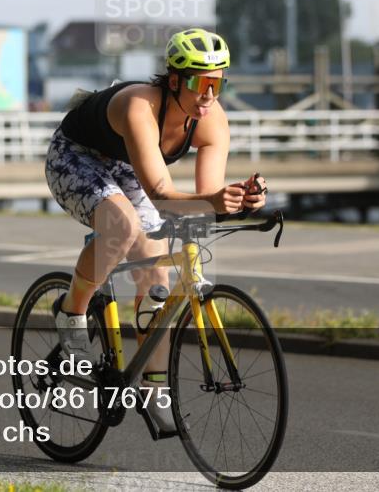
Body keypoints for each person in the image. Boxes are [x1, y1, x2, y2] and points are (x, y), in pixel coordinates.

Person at [43, 28, 267, 434]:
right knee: (122, 225)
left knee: (155, 272)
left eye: (218, 84)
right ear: (176, 79)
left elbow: (204, 196)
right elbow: (162, 193)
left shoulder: (212, 121)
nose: (209, 95)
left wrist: (240, 198)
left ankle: (154, 386)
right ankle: (71, 312)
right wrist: (214, 201)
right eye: (201, 83)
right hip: (75, 157)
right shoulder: (139, 106)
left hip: (124, 166)